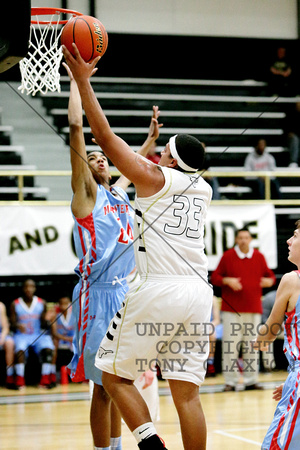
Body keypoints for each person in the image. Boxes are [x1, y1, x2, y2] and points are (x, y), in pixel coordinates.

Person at [62, 43, 213, 450]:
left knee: (112, 376)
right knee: (188, 395)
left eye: (163, 153)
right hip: (199, 291)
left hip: (156, 286)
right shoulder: (203, 188)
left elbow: (104, 137)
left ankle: (149, 444)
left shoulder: (153, 180)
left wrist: (81, 81)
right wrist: (150, 144)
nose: (157, 157)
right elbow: (125, 157)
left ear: (170, 161)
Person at [63, 60, 163, 450]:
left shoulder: (118, 192)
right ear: (84, 170)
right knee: (102, 387)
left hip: (127, 293)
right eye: (92, 157)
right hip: (98, 296)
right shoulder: (85, 197)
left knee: (119, 381)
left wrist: (151, 140)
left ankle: (118, 446)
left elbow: (130, 158)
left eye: (101, 156)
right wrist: (76, 81)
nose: (99, 157)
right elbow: (75, 129)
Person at [210, 227, 276, 392]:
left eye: (246, 237)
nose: (243, 240)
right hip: (231, 310)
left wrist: (268, 282)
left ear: (251, 239)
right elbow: (215, 278)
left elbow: (271, 277)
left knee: (252, 347)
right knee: (230, 347)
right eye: (240, 238)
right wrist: (227, 280)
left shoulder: (259, 257)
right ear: (236, 240)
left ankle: (250, 380)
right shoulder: (228, 256)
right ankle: (230, 382)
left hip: (254, 309)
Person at [253, 220, 300, 449]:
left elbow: (270, 331)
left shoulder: (292, 280)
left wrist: (258, 339)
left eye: (295, 236)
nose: (289, 241)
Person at [10, 279, 55, 389]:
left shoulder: (42, 303)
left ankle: (45, 379)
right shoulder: (15, 304)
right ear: (23, 288)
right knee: (20, 350)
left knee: (48, 348)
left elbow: (44, 323)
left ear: (34, 288)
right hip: (22, 335)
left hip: (37, 334)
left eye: (31, 287)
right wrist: (17, 325)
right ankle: (20, 380)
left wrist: (48, 319)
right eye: (26, 287)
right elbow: (12, 322)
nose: (28, 289)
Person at [51, 295, 75, 382]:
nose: (64, 306)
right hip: (61, 339)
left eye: (66, 304)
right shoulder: (55, 315)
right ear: (58, 305)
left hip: (73, 339)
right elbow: (54, 333)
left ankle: (82, 374)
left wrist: (73, 338)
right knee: (53, 345)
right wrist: (66, 338)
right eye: (62, 304)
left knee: (82, 344)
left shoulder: (75, 314)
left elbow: (80, 330)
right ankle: (52, 374)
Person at [0, 301, 16, 389]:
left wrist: (2, 337)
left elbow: (5, 327)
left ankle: (10, 376)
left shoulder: (1, 306)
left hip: (0, 334)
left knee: (10, 343)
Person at [283, 102, 300, 168]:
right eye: (298, 105)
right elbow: (286, 128)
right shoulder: (290, 115)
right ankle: (293, 161)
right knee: (295, 139)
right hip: (291, 138)